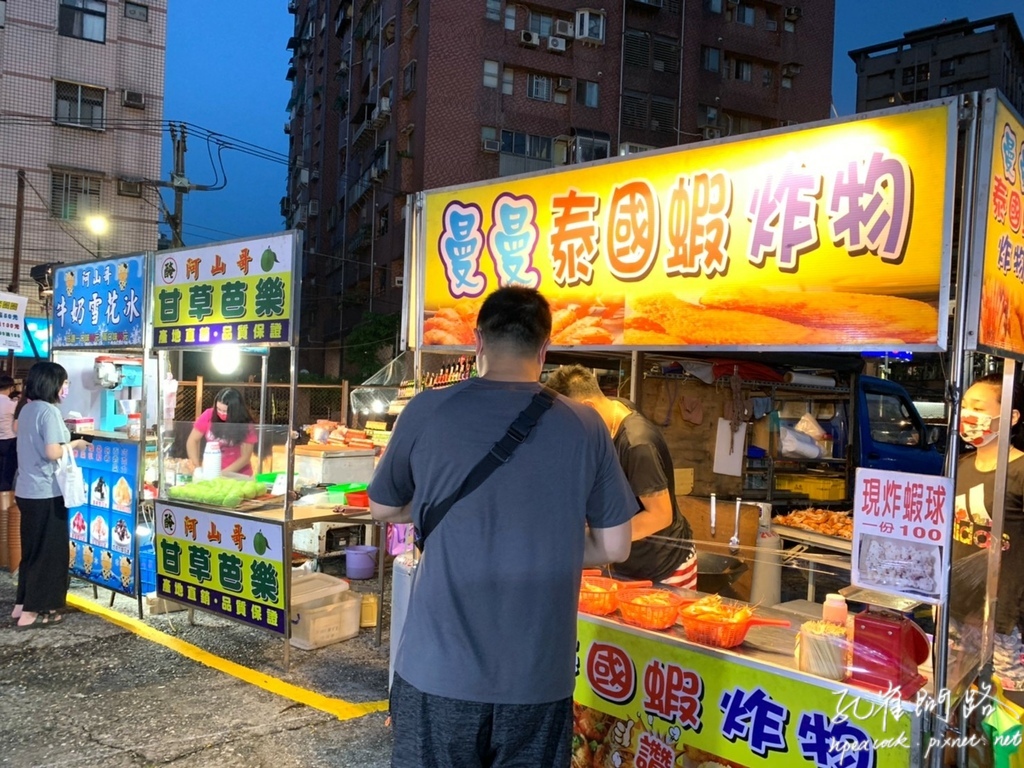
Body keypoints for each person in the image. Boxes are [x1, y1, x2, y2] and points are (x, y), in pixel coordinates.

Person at [369, 286, 635, 768]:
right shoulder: (586, 424)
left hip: (437, 674)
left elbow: (383, 507)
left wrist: (441, 513)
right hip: (537, 681)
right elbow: (615, 544)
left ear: (478, 341)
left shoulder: (428, 409)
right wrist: (551, 538)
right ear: (544, 347)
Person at [546, 364, 697, 587]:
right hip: (628, 565)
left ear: (588, 407)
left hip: (664, 567)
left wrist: (601, 536)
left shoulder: (638, 444)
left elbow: (660, 515)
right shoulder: (614, 411)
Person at [951, 373, 1024, 704]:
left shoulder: (1020, 472)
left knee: (1008, 711)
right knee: (956, 701)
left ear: (1010, 416)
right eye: (964, 405)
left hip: (1006, 620)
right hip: (958, 609)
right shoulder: (959, 466)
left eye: (978, 407)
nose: (967, 414)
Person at [12, 362, 89, 629]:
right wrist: (75, 444)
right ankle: (36, 610)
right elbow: (52, 452)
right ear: (51, 383)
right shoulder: (49, 411)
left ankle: (21, 604)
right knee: (50, 553)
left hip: (26, 490)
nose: (66, 387)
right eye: (64, 382)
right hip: (46, 492)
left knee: (32, 550)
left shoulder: (27, 408)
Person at [186, 388, 257, 476]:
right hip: (211, 471)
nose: (221, 413)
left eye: (225, 411)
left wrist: (221, 474)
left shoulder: (245, 424)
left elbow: (245, 458)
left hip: (238, 475)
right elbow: (192, 440)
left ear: (235, 411)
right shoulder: (209, 415)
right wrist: (196, 466)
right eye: (218, 409)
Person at [0, 375, 17, 491]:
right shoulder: (12, 404)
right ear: (10, 388)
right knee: (7, 473)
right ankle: (4, 501)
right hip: (9, 442)